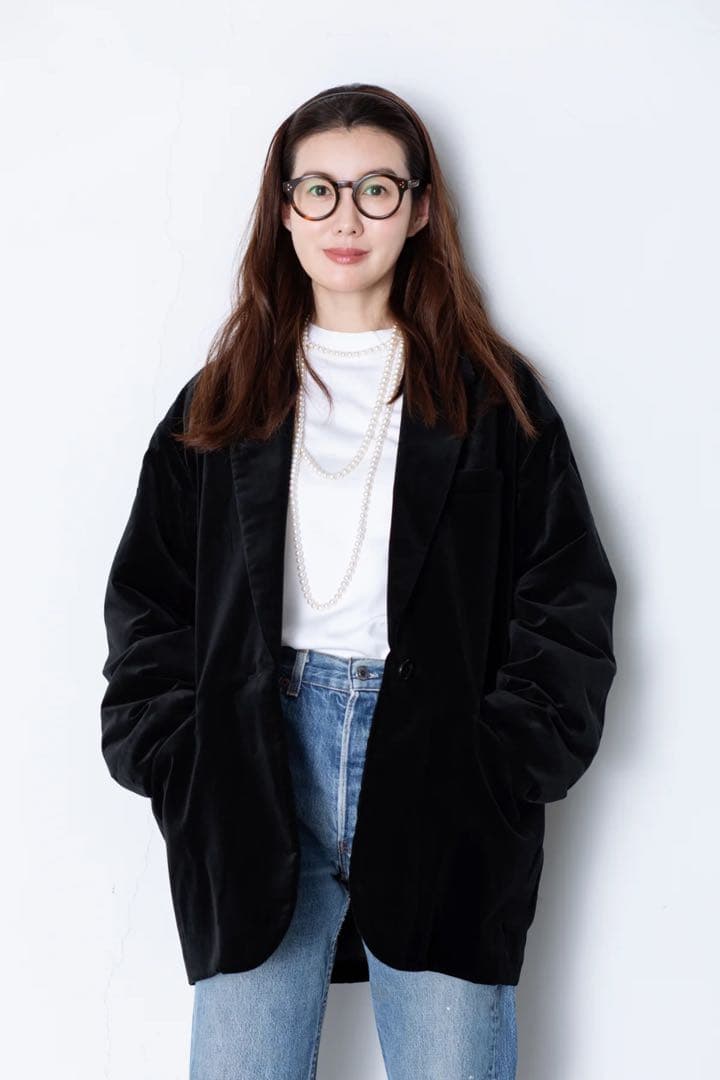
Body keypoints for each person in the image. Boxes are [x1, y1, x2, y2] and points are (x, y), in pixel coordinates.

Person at [100, 82, 618, 1079]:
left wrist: (505, 764)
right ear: (285, 210)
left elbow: (567, 598)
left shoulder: (491, 400)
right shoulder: (220, 403)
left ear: (418, 210)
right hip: (255, 769)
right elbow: (148, 604)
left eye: (377, 189)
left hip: (440, 764)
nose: (347, 218)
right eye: (320, 190)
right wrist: (178, 759)